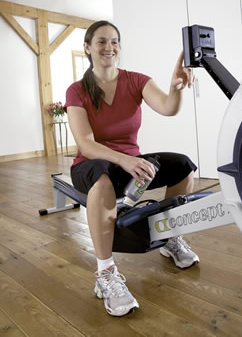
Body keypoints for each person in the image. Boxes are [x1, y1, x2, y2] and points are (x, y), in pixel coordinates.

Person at [65, 20, 199, 317]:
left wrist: (176, 87)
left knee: (182, 165)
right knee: (102, 178)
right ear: (87, 48)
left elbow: (167, 107)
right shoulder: (76, 90)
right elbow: (86, 144)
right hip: (91, 164)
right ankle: (105, 274)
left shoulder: (136, 80)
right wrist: (124, 160)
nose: (109, 47)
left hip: (130, 164)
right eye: (101, 41)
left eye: (114, 41)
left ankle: (172, 238)